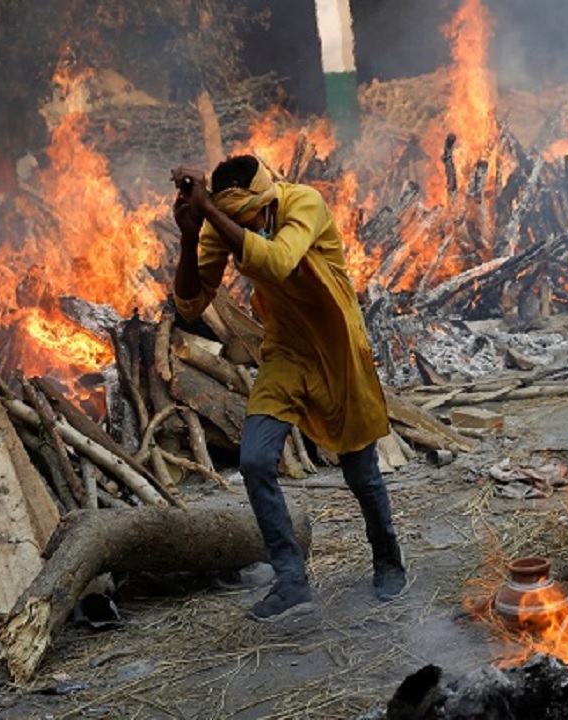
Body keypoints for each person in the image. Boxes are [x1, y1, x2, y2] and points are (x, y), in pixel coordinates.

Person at [170, 155, 407, 622]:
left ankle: (387, 560)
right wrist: (189, 232)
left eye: (247, 218)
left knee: (361, 472)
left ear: (265, 200)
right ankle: (292, 581)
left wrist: (213, 213)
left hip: (338, 348)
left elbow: (277, 261)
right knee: (256, 460)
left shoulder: (304, 203)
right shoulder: (225, 223)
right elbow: (192, 303)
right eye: (232, 219)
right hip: (286, 352)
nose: (242, 228)